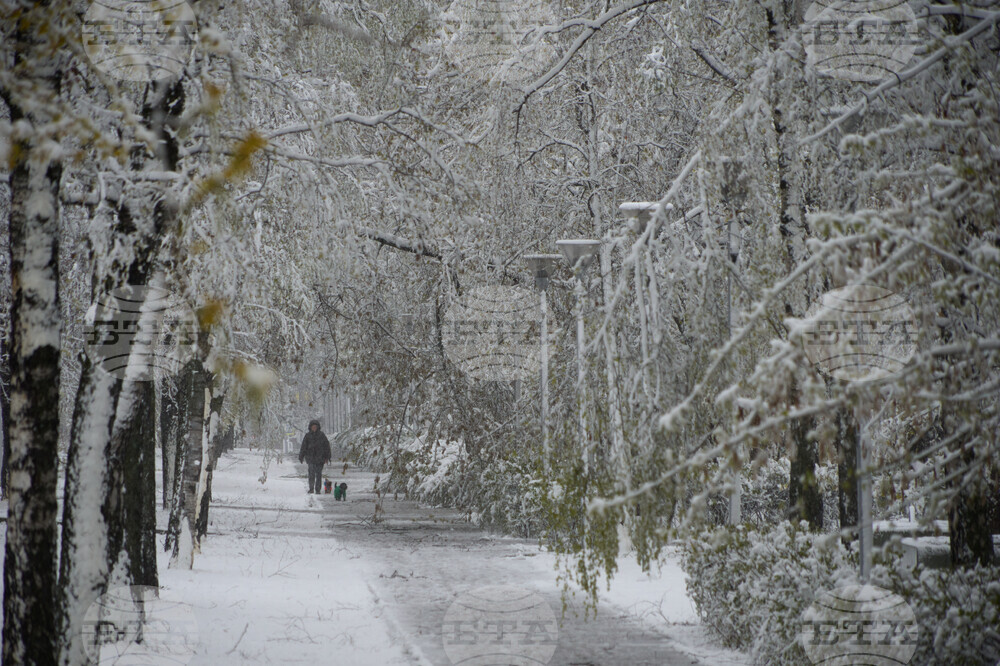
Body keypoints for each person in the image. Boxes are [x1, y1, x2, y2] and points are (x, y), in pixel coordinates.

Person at [298, 419, 331, 494]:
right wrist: (301, 456)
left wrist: (327, 457)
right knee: (311, 474)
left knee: (318, 474)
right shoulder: (307, 436)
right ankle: (311, 488)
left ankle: (318, 489)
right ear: (310, 427)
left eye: (315, 427)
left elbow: (326, 446)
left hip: (320, 459)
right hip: (310, 458)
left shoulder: (322, 435)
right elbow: (304, 447)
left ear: (318, 427)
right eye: (313, 427)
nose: (314, 428)